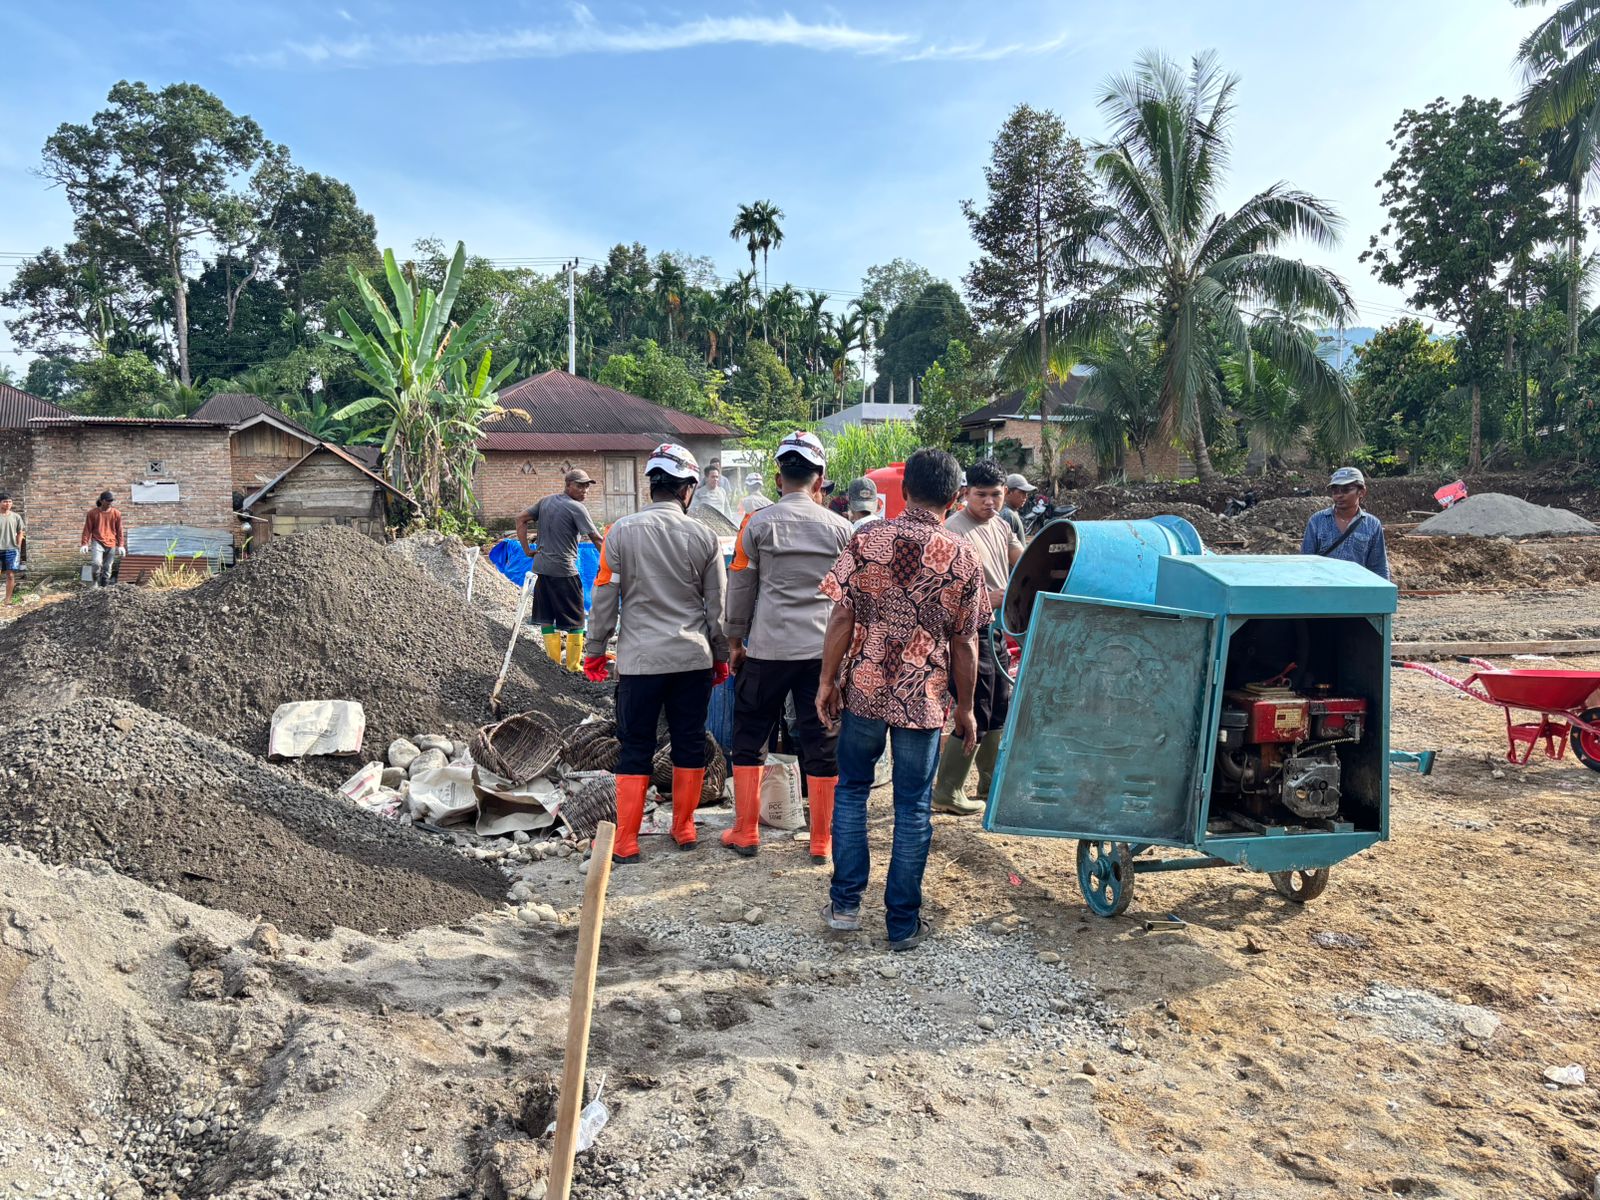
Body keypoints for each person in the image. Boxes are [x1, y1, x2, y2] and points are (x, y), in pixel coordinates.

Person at [815, 448, 988, 951]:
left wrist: (827, 681)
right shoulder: (963, 555)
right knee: (913, 808)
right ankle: (902, 924)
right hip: (924, 698)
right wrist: (965, 706)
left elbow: (841, 617)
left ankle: (845, 905)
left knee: (852, 791)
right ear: (954, 496)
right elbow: (966, 642)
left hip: (866, 689)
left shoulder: (867, 538)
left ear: (904, 490)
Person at [585, 444, 731, 863]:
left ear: (652, 486)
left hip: (640, 661)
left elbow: (605, 596)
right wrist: (719, 657)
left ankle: (627, 839)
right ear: (687, 489)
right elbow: (716, 609)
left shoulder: (620, 532)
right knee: (688, 740)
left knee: (635, 744)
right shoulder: (703, 536)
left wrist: (595, 650)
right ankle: (683, 827)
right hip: (692, 661)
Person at [722, 431, 854, 863]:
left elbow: (740, 587)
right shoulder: (843, 529)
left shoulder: (756, 524)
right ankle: (821, 840)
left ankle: (745, 832)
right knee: (821, 737)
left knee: (750, 735)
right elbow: (852, 599)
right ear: (820, 480)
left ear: (779, 478)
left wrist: (735, 641)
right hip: (822, 652)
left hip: (767, 648)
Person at [931, 460, 1024, 816]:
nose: (989, 502)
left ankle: (990, 782)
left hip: (997, 628)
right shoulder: (954, 529)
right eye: (981, 494)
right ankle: (948, 789)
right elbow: (945, 587)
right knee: (976, 708)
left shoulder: (1001, 526)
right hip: (969, 632)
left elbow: (1021, 560)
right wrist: (990, 595)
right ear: (965, 493)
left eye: (996, 495)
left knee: (1000, 703)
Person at [517, 469, 605, 671]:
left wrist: (527, 550)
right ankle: (573, 666)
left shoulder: (545, 501)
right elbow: (597, 539)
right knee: (577, 619)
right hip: (564, 570)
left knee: (547, 617)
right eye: (580, 485)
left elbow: (521, 518)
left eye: (587, 486)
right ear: (568, 485)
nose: (585, 490)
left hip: (541, 569)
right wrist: (615, 565)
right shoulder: (576, 508)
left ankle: (553, 665)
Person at [1301, 467, 1389, 580]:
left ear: (1361, 492)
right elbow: (1306, 562)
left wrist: (1382, 594)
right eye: (1335, 491)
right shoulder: (1317, 521)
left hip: (1356, 592)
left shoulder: (1373, 525)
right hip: (1323, 590)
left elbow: (1379, 567)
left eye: (1346, 490)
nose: (1339, 495)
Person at [80, 491, 126, 588]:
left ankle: (105, 586)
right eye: (108, 500)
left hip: (111, 542)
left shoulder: (116, 513)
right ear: (101, 501)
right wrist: (84, 543)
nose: (110, 503)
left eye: (111, 501)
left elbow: (120, 530)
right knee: (96, 563)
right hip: (98, 541)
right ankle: (95, 582)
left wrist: (121, 545)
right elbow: (87, 529)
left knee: (107, 567)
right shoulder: (93, 513)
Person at [0, 493, 23, 604]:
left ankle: (7, 600)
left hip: (11, 550)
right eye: (5, 501)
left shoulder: (16, 517)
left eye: (9, 501)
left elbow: (20, 532)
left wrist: (18, 546)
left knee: (10, 575)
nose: (8, 504)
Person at [1002, 473, 1034, 540]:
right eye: (1022, 492)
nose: (1025, 497)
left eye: (1026, 493)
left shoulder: (1012, 513)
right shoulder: (1008, 515)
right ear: (1007, 492)